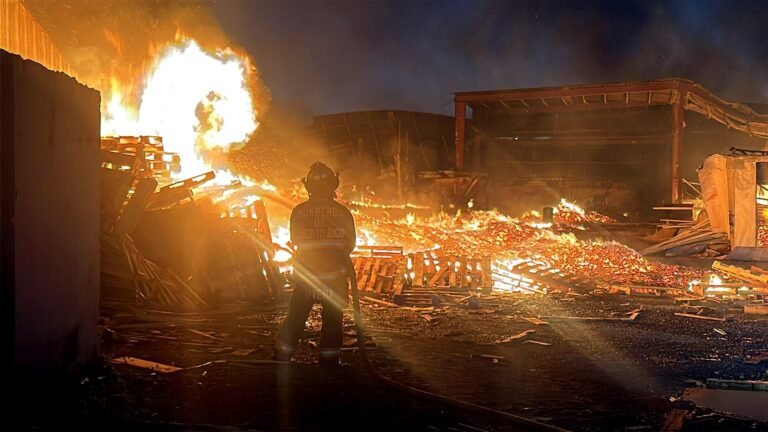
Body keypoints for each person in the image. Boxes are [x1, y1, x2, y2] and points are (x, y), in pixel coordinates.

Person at [274, 162, 356, 367]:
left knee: (296, 317)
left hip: (306, 279)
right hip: (333, 279)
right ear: (333, 185)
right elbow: (350, 244)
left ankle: (282, 358)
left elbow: (295, 239)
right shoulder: (343, 212)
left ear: (308, 187)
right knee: (332, 320)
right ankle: (329, 362)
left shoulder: (299, 212)